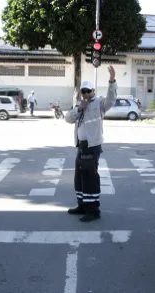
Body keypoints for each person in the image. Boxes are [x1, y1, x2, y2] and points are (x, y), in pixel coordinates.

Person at [65, 65, 117, 222]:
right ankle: (82, 205)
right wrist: (79, 109)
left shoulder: (99, 103)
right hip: (80, 146)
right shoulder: (79, 105)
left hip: (92, 146)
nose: (86, 94)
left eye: (89, 91)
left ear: (93, 91)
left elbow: (111, 100)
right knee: (79, 177)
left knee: (90, 178)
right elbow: (68, 119)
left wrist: (112, 80)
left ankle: (93, 210)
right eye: (84, 91)